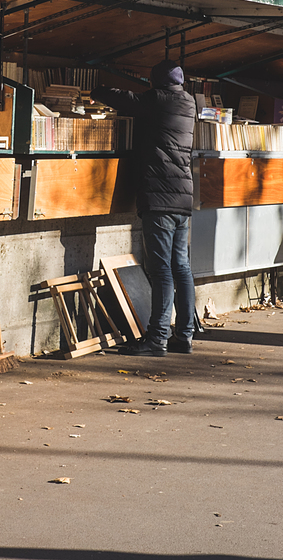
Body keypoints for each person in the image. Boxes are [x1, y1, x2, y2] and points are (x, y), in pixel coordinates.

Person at [92, 59, 196, 356]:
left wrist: (95, 91)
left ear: (156, 82)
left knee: (161, 270)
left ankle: (157, 339)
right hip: (182, 197)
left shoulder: (157, 100)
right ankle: (184, 335)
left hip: (160, 198)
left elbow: (126, 100)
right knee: (182, 268)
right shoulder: (188, 102)